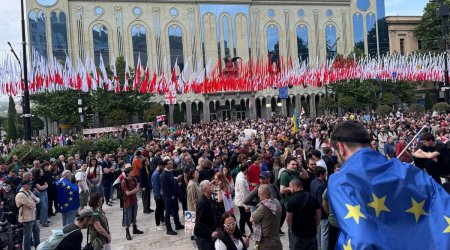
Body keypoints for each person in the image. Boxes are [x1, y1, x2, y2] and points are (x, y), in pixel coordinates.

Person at [328, 121, 450, 249]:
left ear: (340, 147)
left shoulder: (340, 181)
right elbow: (443, 209)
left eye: (335, 152)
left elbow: (359, 238)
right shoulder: (409, 171)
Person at [286, 179, 320, 250]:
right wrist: (315, 226)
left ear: (295, 187)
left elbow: (288, 218)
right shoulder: (313, 197)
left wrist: (292, 228)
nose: (290, 189)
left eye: (290, 187)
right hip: (311, 233)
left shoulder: (291, 200)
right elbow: (318, 215)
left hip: (298, 234)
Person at [250, 184, 282, 250]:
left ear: (265, 195)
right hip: (276, 240)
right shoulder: (276, 202)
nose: (258, 196)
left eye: (259, 194)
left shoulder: (264, 206)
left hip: (266, 244)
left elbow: (251, 219)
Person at [160, 158, 184, 235]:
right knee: (168, 213)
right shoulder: (163, 175)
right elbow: (165, 188)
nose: (171, 164)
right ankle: (169, 229)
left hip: (174, 196)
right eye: (169, 163)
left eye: (171, 163)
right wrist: (171, 196)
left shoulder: (170, 172)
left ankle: (177, 224)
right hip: (169, 197)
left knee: (176, 210)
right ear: (165, 165)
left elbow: (172, 181)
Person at [15, 179, 40, 250]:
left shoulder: (28, 191)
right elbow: (32, 205)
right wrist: (34, 201)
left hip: (32, 216)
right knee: (27, 236)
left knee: (37, 232)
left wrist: (34, 201)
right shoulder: (20, 194)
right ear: (23, 185)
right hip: (26, 219)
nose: (30, 185)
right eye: (29, 184)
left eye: (30, 184)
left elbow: (38, 199)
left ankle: (38, 247)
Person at [194, 180, 219, 250]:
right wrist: (210, 232)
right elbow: (199, 222)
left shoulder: (211, 198)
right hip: (203, 237)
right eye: (210, 185)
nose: (212, 186)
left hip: (210, 233)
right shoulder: (201, 203)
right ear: (205, 189)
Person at [121, 166, 144, 240]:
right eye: (132, 172)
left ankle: (135, 229)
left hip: (134, 200)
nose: (133, 172)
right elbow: (127, 193)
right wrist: (136, 189)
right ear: (127, 174)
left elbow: (137, 190)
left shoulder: (134, 179)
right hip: (127, 202)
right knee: (127, 218)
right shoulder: (124, 181)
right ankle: (127, 233)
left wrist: (139, 189)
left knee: (134, 216)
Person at [310, 166, 328, 250]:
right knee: (324, 233)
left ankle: (318, 247)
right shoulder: (321, 186)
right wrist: (326, 212)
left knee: (318, 232)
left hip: (314, 211)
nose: (326, 175)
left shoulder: (313, 182)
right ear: (321, 174)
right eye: (325, 173)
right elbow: (322, 202)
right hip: (322, 213)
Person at [234, 162, 252, 236]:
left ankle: (251, 230)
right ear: (246, 169)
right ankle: (242, 232)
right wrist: (246, 206)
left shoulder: (242, 176)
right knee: (244, 217)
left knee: (246, 217)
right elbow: (243, 193)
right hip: (242, 202)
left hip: (243, 201)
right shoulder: (241, 179)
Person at [151, 159, 165, 231]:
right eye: (162, 166)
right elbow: (155, 186)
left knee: (162, 208)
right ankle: (158, 224)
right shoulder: (155, 175)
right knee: (158, 209)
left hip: (161, 195)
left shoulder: (159, 172)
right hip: (158, 195)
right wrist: (158, 196)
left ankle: (162, 220)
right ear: (159, 166)